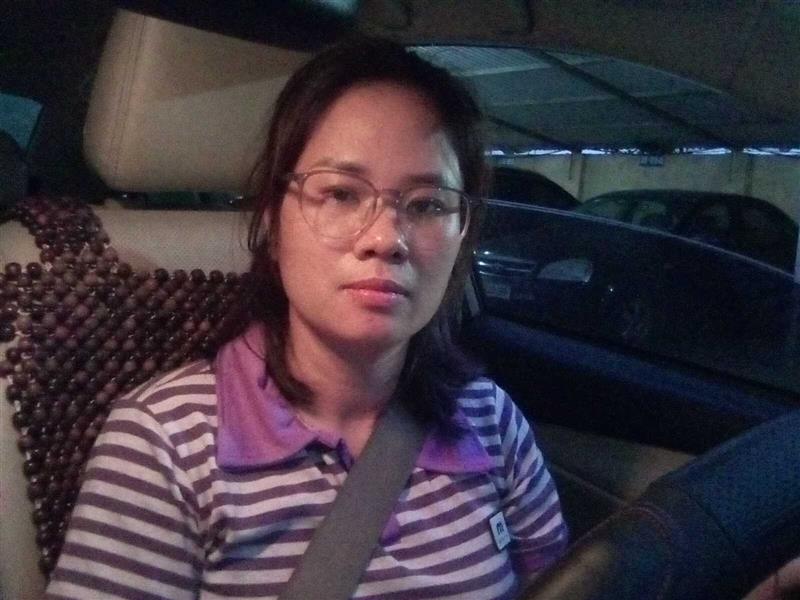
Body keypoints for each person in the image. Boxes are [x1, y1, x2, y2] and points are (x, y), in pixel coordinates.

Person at [46, 37, 568, 599]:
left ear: (462, 231)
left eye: (427, 204)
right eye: (341, 194)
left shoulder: (491, 420)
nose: (386, 239)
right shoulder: (164, 447)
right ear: (273, 221)